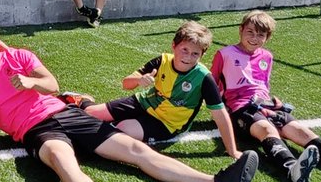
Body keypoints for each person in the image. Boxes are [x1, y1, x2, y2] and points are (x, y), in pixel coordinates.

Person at [0, 18, 257, 182]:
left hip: (65, 114)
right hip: (36, 132)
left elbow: (51, 85)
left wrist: (30, 82)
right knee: (64, 165)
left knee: (135, 151)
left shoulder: (20, 57)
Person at [211, 10, 321, 182]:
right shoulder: (225, 54)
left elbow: (263, 87)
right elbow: (212, 86)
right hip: (241, 108)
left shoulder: (267, 56)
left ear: (267, 37)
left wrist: (274, 104)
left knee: (303, 132)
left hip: (268, 106)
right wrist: (221, 112)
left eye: (260, 35)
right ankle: (292, 169)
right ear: (240, 30)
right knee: (267, 130)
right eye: (250, 32)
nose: (254, 38)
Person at [82, 21, 241, 158]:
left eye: (195, 54)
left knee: (122, 130)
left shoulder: (204, 78)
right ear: (174, 45)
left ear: (202, 54)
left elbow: (220, 115)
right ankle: (81, 100)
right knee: (91, 114)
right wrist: (139, 80)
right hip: (143, 102)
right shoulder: (162, 61)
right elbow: (125, 83)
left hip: (166, 122)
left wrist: (232, 151)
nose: (188, 57)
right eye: (184, 50)